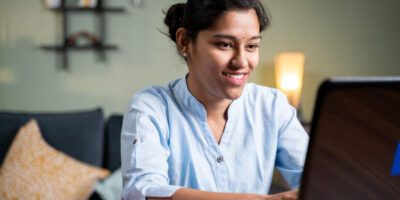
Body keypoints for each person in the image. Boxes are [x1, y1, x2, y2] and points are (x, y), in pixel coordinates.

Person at [121, 0, 309, 199]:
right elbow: (143, 191)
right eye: (225, 44)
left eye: (252, 46)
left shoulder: (272, 106)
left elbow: (319, 180)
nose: (241, 62)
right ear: (184, 41)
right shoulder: (150, 107)